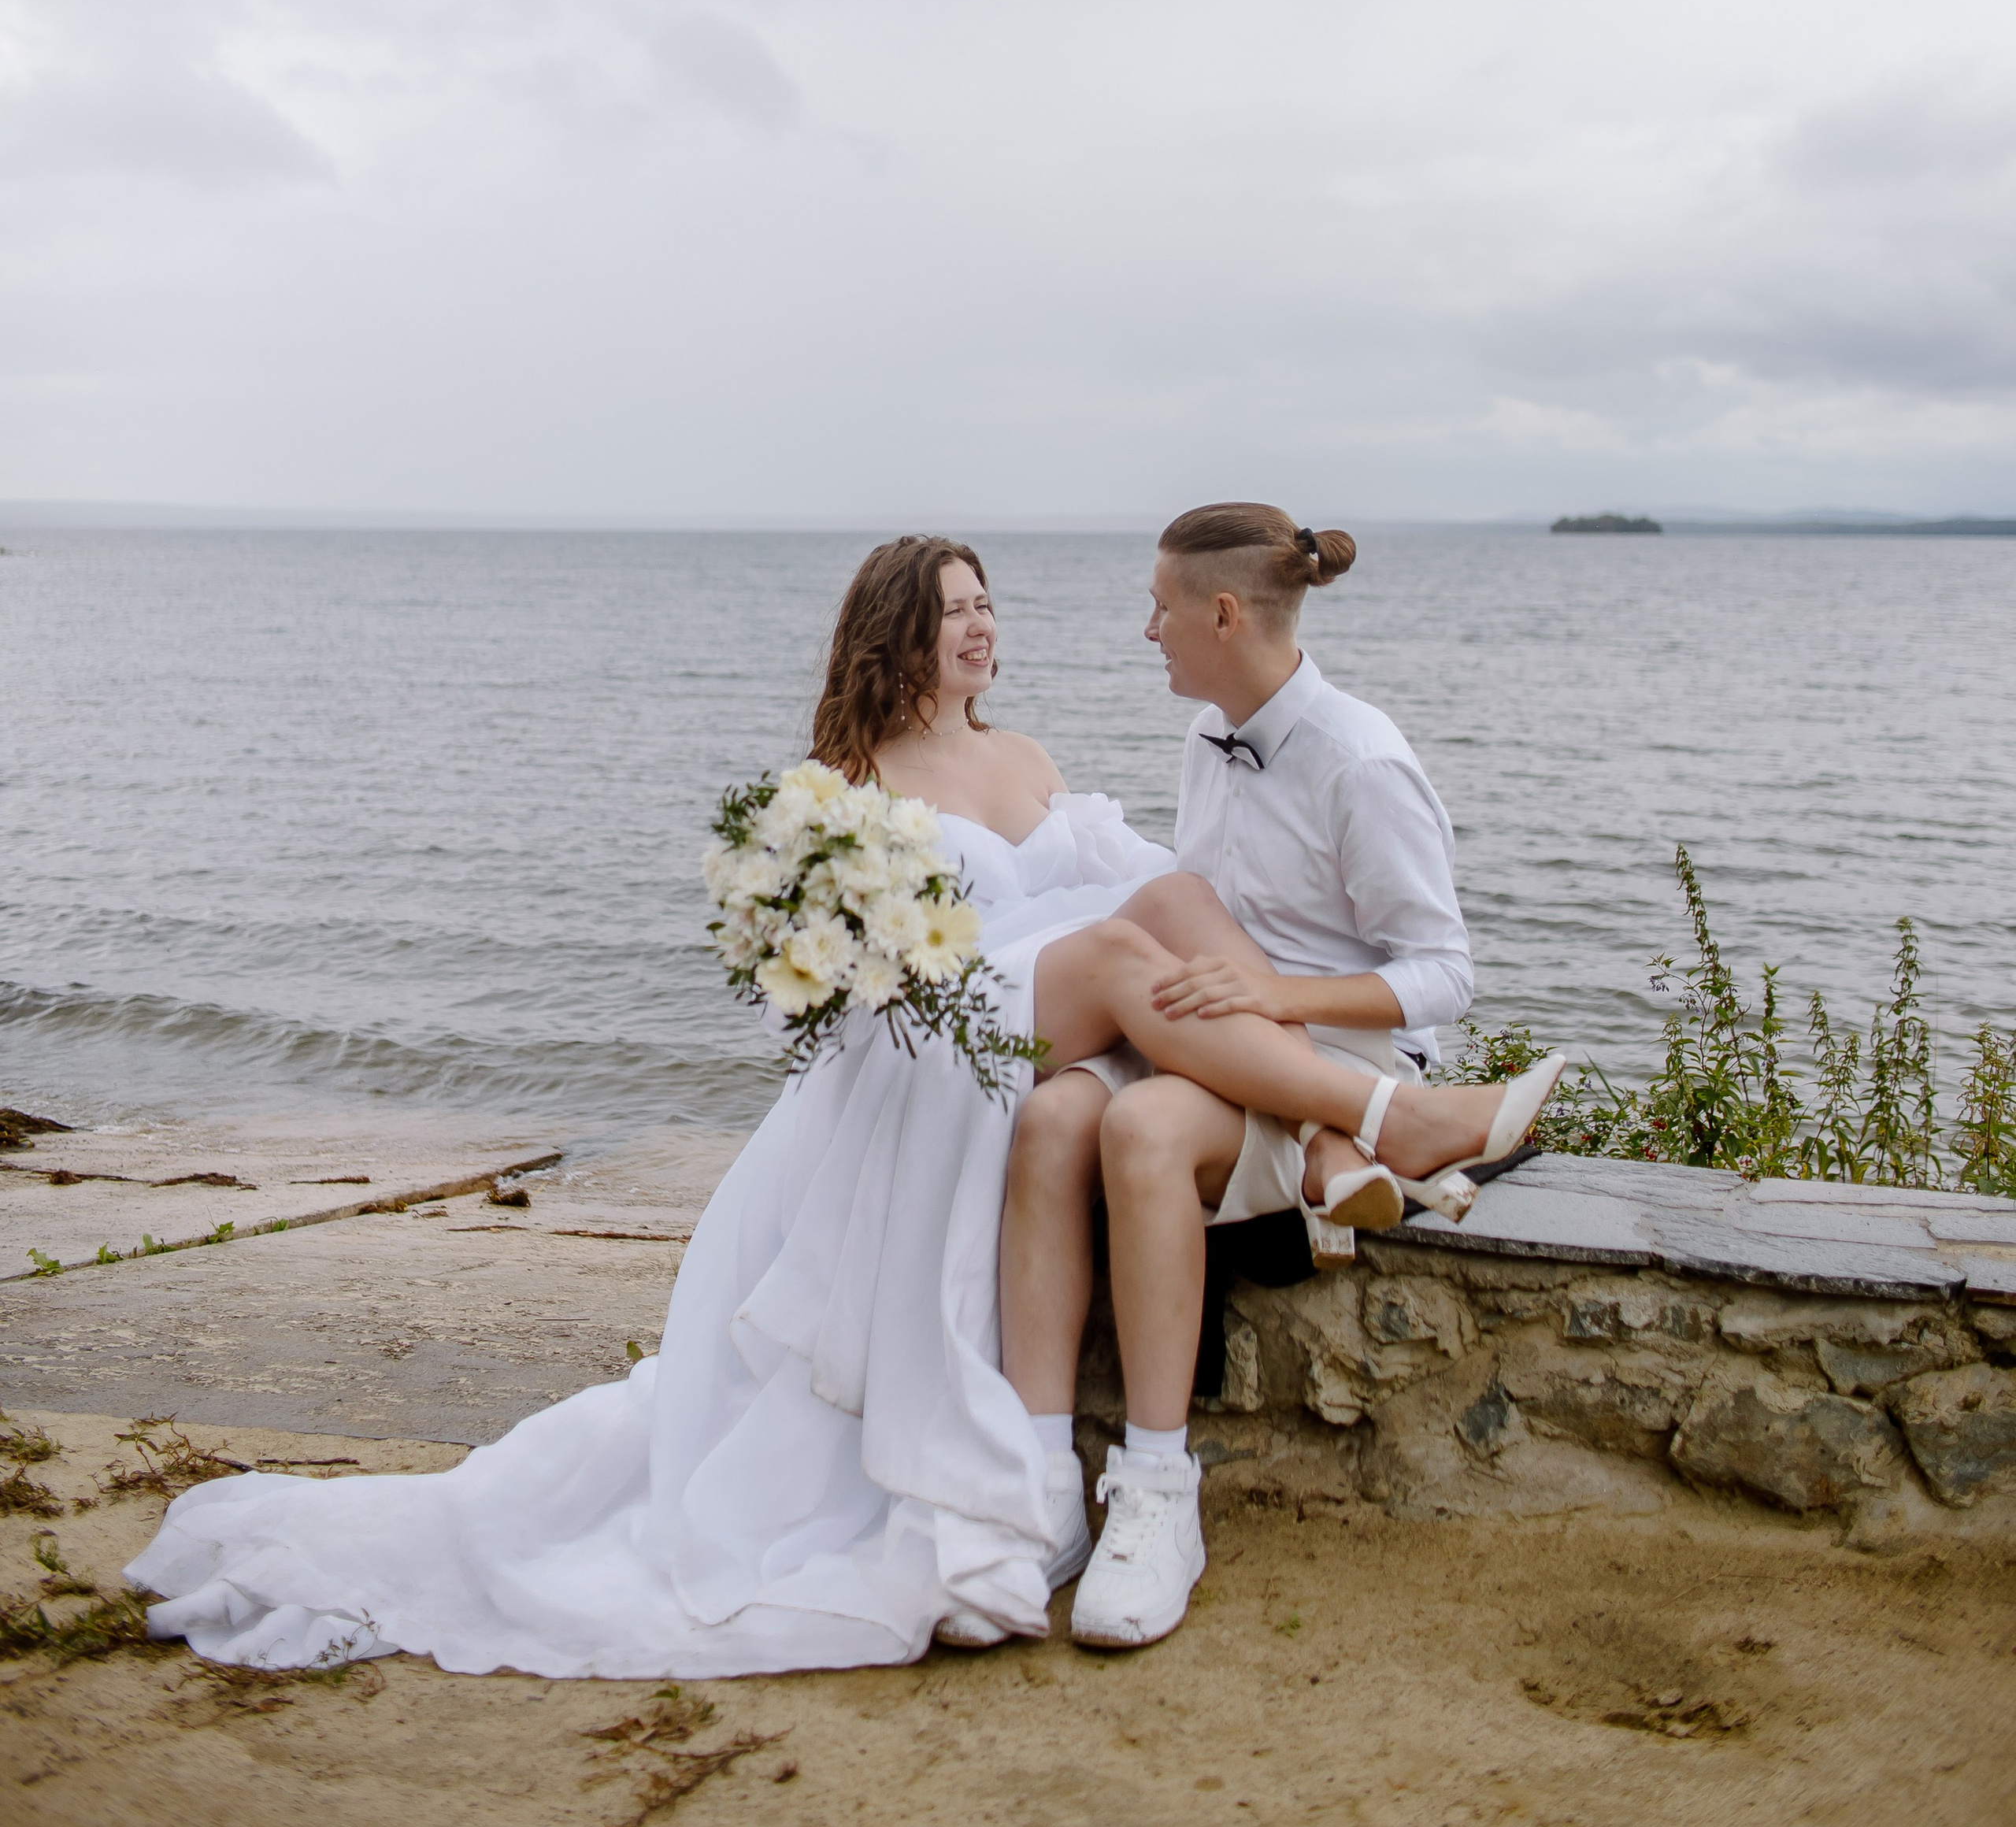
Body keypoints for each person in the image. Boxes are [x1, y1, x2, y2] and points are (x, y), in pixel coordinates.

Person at [131, 532, 1551, 1677]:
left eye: (990, 605)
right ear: (897, 634)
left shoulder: (1032, 757)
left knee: (1164, 896)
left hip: (1053, 1008)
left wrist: (1219, 973)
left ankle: (1331, 1130)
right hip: (943, 1034)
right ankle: (1383, 1122)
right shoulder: (848, 788)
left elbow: (1143, 888)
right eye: (954, 612)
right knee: (1132, 941)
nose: (983, 630)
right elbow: (816, 990)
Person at [996, 502, 1562, 1655]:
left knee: (1146, 1128)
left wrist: (1280, 1001)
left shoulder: (1359, 756)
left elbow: (1445, 974)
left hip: (1333, 1040)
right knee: (1055, 1110)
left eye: (1160, 606)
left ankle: (1157, 1493)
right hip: (1227, 1035)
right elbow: (1206, 928)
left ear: (1222, 611)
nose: (1145, 628)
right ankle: (1036, 1474)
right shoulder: (1206, 741)